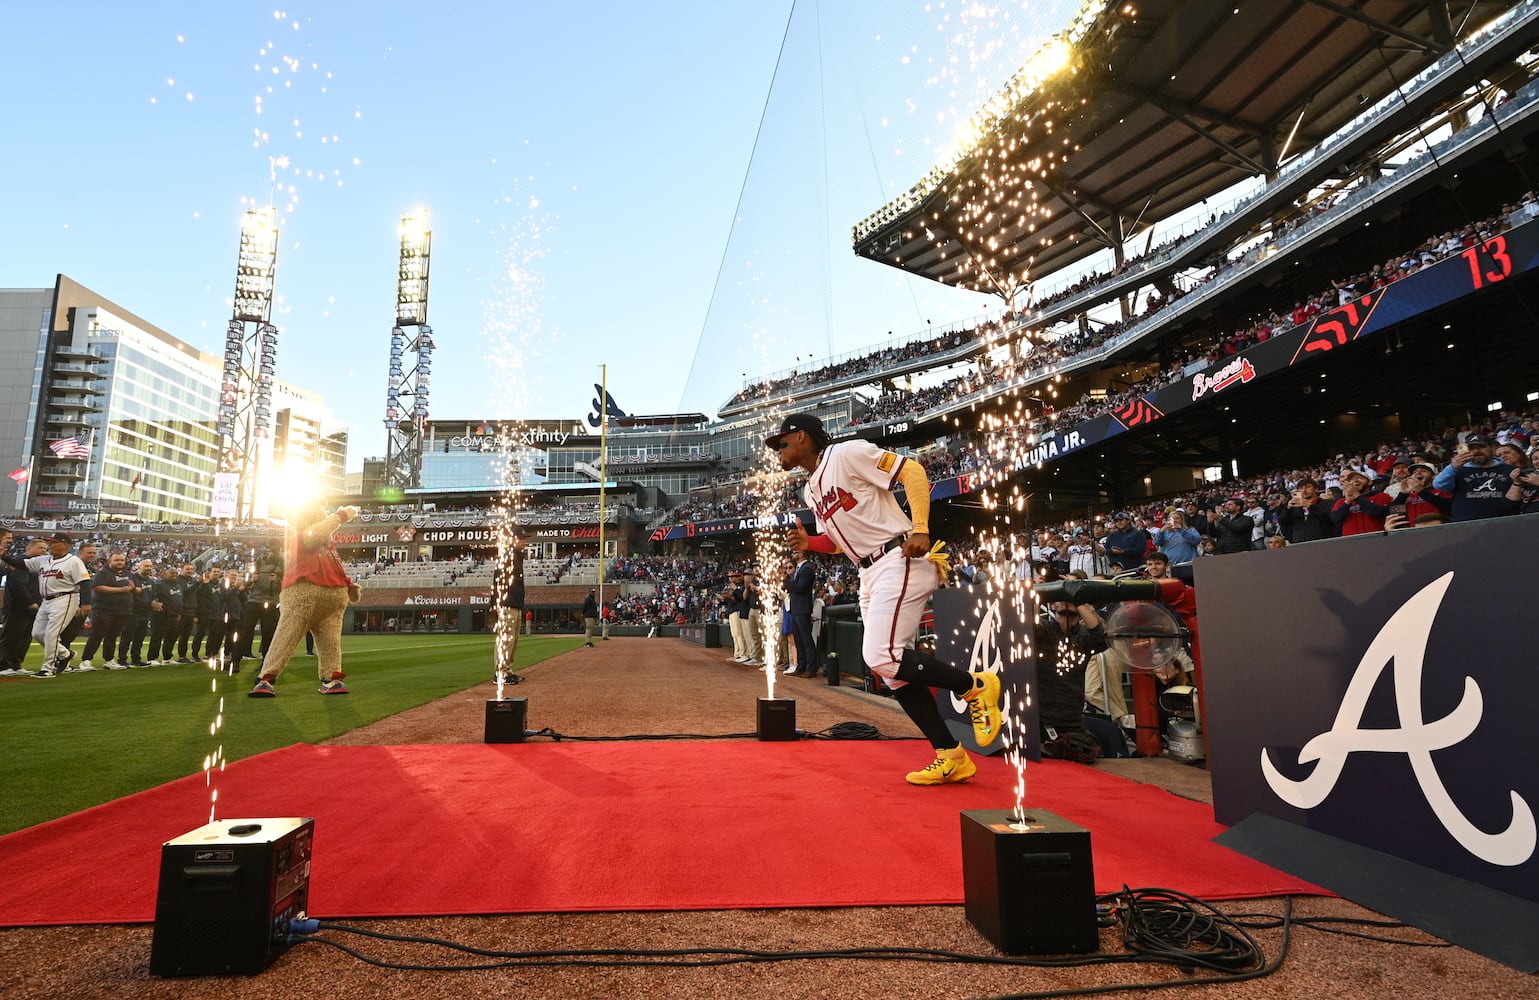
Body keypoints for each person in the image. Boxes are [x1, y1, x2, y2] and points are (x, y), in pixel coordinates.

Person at [770, 412, 1001, 785]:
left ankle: (973, 686)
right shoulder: (810, 491)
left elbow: (912, 471)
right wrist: (809, 543)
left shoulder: (845, 454)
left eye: (781, 442)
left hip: (899, 555)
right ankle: (950, 754)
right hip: (868, 569)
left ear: (801, 437)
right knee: (891, 673)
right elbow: (836, 541)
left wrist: (922, 527)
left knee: (881, 655)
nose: (776, 450)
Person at [247, 503, 361, 697]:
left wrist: (349, 586)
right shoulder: (300, 538)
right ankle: (266, 678)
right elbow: (315, 533)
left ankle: (332, 678)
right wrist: (340, 516)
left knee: (330, 642)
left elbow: (336, 567)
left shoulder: (329, 547)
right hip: (303, 593)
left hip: (332, 600)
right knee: (286, 635)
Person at [4, 533, 89, 678]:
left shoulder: (73, 561)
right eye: (50, 542)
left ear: (66, 545)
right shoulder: (44, 560)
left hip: (65, 597)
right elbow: (20, 564)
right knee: (37, 633)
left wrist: (86, 603)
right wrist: (4, 556)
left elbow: (85, 582)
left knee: (51, 634)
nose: (50, 545)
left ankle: (47, 668)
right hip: (46, 600)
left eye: (54, 542)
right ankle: (65, 654)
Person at [1432, 434, 1516, 520]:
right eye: (1472, 448)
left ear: (1491, 448)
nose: (1476, 451)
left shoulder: (1509, 470)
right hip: (1467, 525)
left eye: (1481, 447)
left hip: (1503, 522)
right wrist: (1453, 467)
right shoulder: (1458, 470)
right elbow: (1438, 485)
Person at [79, 548, 138, 670]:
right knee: (97, 635)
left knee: (112, 636)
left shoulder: (127, 573)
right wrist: (121, 590)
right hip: (104, 609)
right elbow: (97, 587)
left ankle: (109, 660)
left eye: (122, 560)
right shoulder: (103, 573)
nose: (120, 562)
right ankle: (86, 660)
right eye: (116, 560)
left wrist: (133, 589)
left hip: (122, 610)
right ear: (110, 561)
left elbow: (134, 588)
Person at [0, 536, 44, 675]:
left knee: (25, 637)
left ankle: (16, 663)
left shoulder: (38, 564)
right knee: (11, 635)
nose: (43, 551)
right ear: (29, 548)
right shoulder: (20, 562)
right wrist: (30, 602)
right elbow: (19, 585)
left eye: (45, 548)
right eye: (40, 547)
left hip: (34, 607)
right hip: (17, 607)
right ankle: (3, 665)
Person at [493, 526, 527, 684]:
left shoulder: (516, 556)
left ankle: (507, 671)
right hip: (508, 603)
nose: (524, 541)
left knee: (513, 640)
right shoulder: (507, 555)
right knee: (506, 639)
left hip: (515, 603)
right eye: (520, 538)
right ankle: (501, 673)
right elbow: (498, 581)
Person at [785, 551, 817, 677]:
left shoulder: (807, 569)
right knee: (798, 639)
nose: (793, 553)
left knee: (806, 639)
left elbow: (799, 588)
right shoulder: (800, 569)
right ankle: (801, 666)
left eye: (795, 552)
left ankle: (810, 668)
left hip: (802, 608)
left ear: (802, 553)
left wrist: (786, 581)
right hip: (796, 608)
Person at [1277, 478, 1336, 544]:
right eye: (1301, 488)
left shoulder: (1327, 503)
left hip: (1322, 543)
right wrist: (1287, 509)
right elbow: (1282, 523)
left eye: (1308, 487)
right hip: (1299, 545)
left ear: (1316, 489)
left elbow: (1330, 518)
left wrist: (1310, 506)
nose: (1304, 490)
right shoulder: (1294, 506)